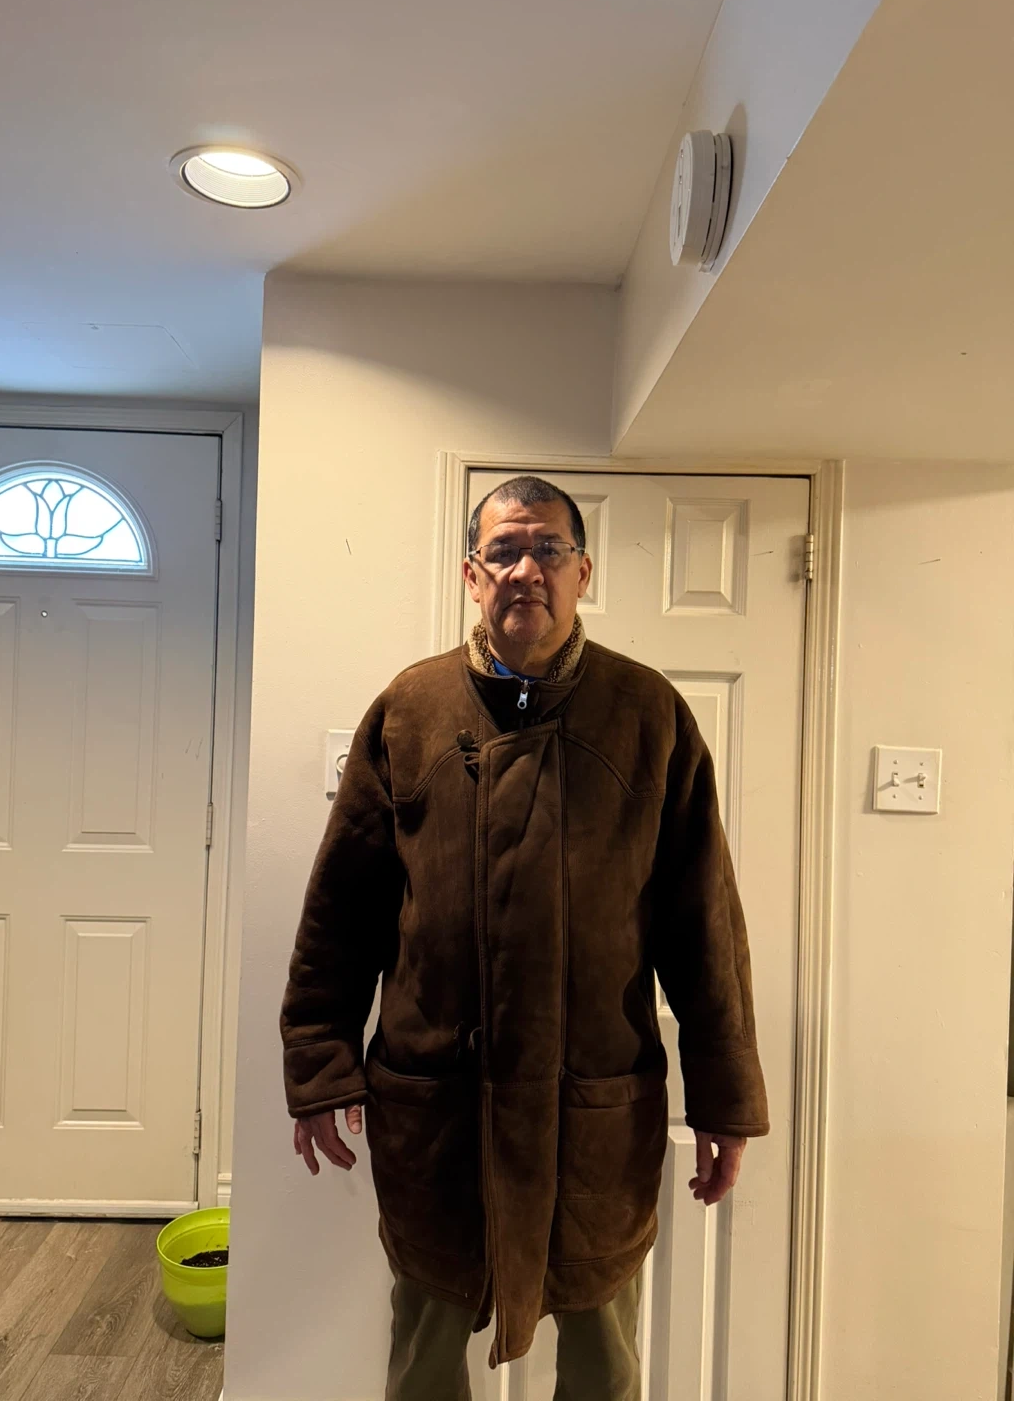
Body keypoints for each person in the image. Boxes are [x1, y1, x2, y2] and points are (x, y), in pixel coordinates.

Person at [280, 475, 769, 1401]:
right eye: (503, 550)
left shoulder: (647, 713)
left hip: (595, 1107)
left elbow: (704, 923)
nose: (525, 569)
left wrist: (725, 1098)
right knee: (424, 1359)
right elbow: (342, 908)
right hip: (438, 1108)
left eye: (548, 549)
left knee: (604, 1364)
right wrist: (318, 1063)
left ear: (583, 572)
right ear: (473, 575)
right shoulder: (411, 709)